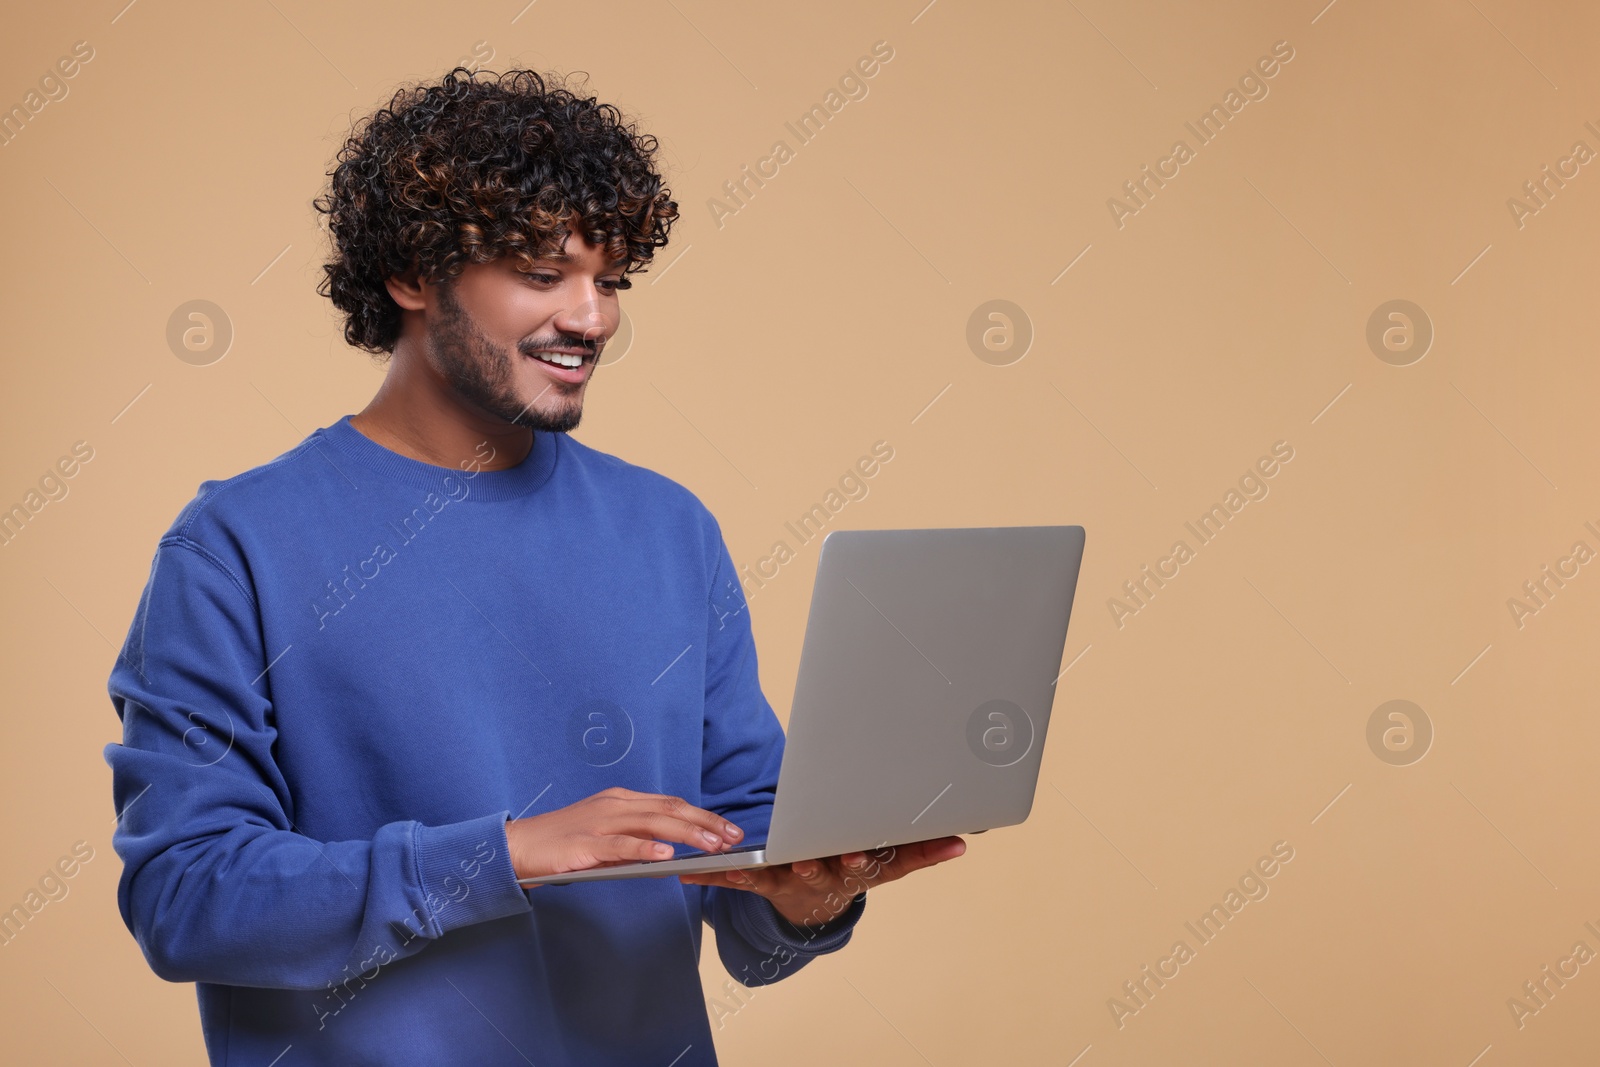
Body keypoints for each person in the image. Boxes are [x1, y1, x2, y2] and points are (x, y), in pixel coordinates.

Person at [103, 67, 965, 1066]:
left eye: (610, 281)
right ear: (414, 274)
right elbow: (187, 896)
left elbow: (749, 883)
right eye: (543, 273)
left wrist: (812, 895)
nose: (593, 318)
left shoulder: (668, 527)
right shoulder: (234, 547)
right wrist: (501, 854)